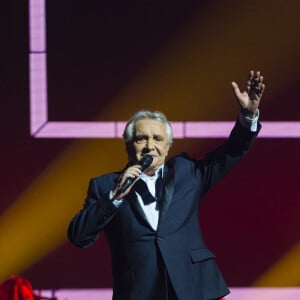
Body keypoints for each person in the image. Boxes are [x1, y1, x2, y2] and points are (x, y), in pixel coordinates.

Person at [67, 70, 265, 300]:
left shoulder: (186, 171)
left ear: (168, 146)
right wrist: (114, 197)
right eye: (141, 138)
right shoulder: (105, 186)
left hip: (194, 289)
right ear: (128, 145)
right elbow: (79, 236)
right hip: (140, 292)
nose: (150, 146)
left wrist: (248, 115)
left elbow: (231, 152)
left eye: (158, 139)